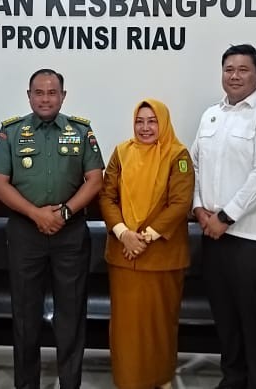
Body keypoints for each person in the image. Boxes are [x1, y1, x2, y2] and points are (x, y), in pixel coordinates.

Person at [0, 68, 104, 389]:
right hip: (25, 232)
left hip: (71, 233)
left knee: (72, 313)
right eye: (39, 92)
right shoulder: (11, 132)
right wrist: (35, 214)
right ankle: (27, 384)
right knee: (25, 314)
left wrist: (64, 213)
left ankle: (70, 383)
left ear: (63, 96)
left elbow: (95, 180)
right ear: (29, 96)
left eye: (52, 93)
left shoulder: (80, 131)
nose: (45, 99)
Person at [191, 44, 256, 389]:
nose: (234, 76)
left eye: (243, 70)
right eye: (229, 69)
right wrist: (199, 208)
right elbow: (195, 165)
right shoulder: (211, 115)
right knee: (226, 318)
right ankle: (233, 381)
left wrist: (225, 216)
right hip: (214, 235)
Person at [98, 99, 195, 389]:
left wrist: (146, 237)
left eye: (152, 121)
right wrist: (123, 233)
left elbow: (180, 203)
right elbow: (107, 196)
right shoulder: (121, 152)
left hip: (162, 257)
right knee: (126, 328)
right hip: (124, 255)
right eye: (139, 121)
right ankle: (128, 380)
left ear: (163, 123)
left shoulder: (178, 155)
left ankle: (160, 378)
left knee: (159, 326)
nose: (145, 127)